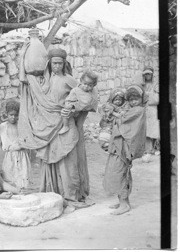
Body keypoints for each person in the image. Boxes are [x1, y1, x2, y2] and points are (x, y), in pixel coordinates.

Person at [18, 48, 93, 210]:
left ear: (64, 63)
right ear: (49, 64)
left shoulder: (70, 80)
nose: (57, 66)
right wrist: (25, 51)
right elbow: (24, 78)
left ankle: (71, 195)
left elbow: (89, 98)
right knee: (49, 159)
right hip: (46, 126)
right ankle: (52, 193)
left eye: (60, 63)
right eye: (54, 63)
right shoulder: (42, 81)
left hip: (64, 125)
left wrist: (73, 110)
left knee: (69, 161)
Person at [103, 84, 147, 215]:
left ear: (141, 99)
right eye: (131, 99)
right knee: (116, 172)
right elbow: (120, 117)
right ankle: (122, 200)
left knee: (120, 173)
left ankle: (124, 203)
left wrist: (114, 113)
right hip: (118, 145)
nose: (134, 101)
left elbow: (124, 120)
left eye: (136, 99)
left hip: (125, 147)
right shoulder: (131, 109)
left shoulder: (138, 110)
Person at [0, 98, 31, 189]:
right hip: (8, 156)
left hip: (21, 156)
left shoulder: (22, 126)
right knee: (9, 177)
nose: (13, 117)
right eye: (11, 115)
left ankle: (22, 193)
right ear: (6, 114)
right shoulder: (2, 126)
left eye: (16, 115)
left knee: (22, 176)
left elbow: (27, 140)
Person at [140, 66, 160, 156]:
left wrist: (148, 95)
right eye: (146, 74)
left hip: (153, 109)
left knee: (154, 129)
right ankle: (148, 149)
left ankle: (156, 148)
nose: (147, 76)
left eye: (149, 74)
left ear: (152, 75)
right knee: (146, 129)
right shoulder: (142, 85)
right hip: (145, 109)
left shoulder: (156, 85)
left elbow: (158, 98)